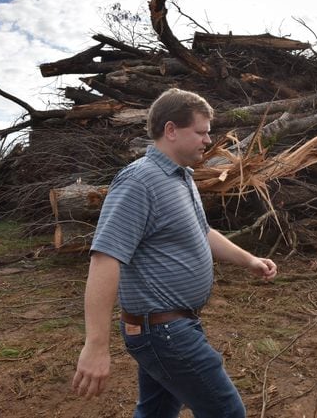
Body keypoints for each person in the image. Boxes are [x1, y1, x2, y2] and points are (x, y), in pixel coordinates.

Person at [72, 88, 277, 417]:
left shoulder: (181, 177)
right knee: (227, 412)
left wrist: (249, 260)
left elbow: (203, 232)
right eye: (200, 132)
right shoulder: (140, 182)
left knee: (157, 413)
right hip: (162, 332)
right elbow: (105, 257)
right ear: (170, 130)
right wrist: (96, 345)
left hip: (173, 326)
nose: (208, 140)